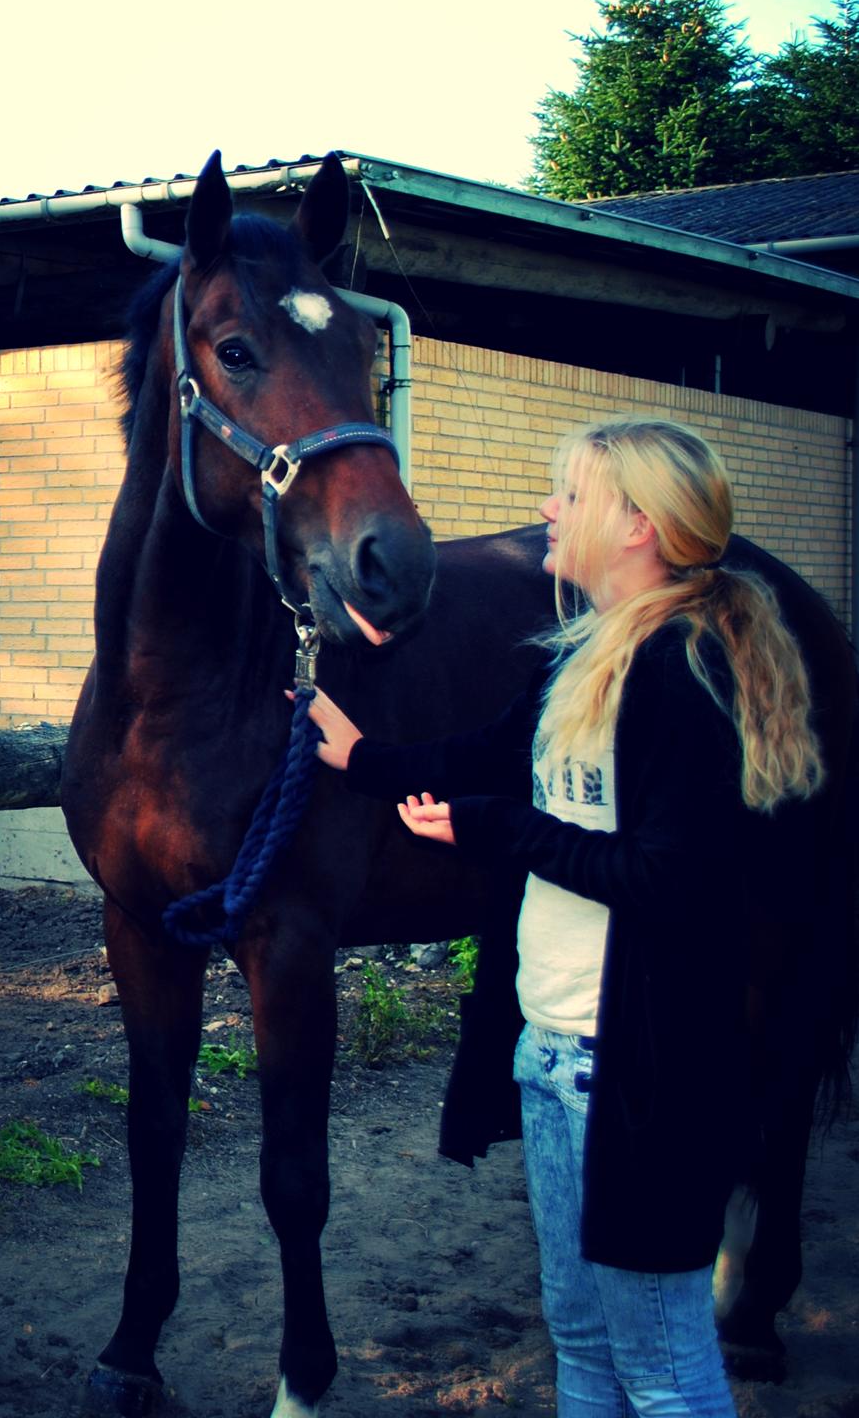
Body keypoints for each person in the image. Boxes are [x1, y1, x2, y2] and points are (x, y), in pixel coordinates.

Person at [306, 417, 824, 1418]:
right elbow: (485, 753)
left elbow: (669, 877)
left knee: (666, 1369)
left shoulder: (685, 671)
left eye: (571, 494)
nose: (548, 507)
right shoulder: (582, 652)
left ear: (640, 524)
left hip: (643, 1071)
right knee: (582, 1347)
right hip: (553, 1053)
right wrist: (360, 756)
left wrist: (503, 830)